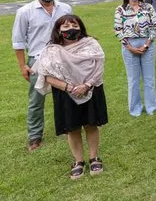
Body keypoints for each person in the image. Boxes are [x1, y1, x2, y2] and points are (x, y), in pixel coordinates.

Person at [32, 15, 107, 179]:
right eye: (65, 27)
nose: (70, 28)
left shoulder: (91, 44)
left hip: (91, 89)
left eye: (74, 25)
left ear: (80, 27)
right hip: (65, 93)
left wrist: (87, 85)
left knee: (91, 124)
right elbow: (46, 75)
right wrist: (70, 87)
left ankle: (94, 158)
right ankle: (78, 161)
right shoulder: (51, 50)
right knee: (72, 128)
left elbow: (99, 66)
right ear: (58, 30)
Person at [12, 0, 73, 151]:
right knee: (36, 100)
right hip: (37, 60)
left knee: (65, 94)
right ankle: (34, 137)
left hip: (62, 57)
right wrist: (23, 65)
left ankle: (68, 127)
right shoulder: (25, 12)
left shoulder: (65, 8)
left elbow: (72, 32)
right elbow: (18, 41)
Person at [114, 0, 156, 117]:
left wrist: (146, 44)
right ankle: (135, 109)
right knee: (133, 79)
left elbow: (154, 26)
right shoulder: (120, 9)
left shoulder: (148, 7)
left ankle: (151, 106)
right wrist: (129, 47)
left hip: (148, 43)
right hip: (129, 45)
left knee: (149, 78)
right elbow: (118, 30)